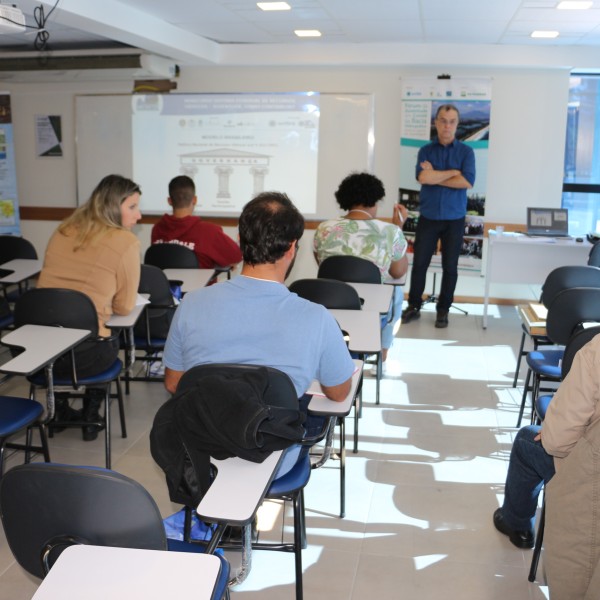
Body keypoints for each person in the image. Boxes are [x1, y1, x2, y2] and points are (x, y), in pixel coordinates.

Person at [163, 191, 355, 418]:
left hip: (202, 442)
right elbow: (339, 392)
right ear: (291, 248)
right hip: (275, 445)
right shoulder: (317, 318)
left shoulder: (191, 304)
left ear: (239, 240)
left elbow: (174, 383)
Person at [493, 334, 600, 597]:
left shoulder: (596, 350)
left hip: (590, 482)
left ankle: (518, 525)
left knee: (527, 440)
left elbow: (557, 442)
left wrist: (550, 431)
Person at [38, 174, 142, 440]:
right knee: (112, 337)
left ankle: (59, 411)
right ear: (111, 206)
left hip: (42, 354)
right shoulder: (125, 241)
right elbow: (124, 305)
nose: (138, 216)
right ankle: (90, 413)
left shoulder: (63, 229)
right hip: (87, 358)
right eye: (132, 207)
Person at [313, 171, 409, 363]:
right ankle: (382, 349)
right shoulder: (389, 231)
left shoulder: (324, 228)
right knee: (396, 292)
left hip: (330, 307)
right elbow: (398, 272)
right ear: (375, 200)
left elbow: (324, 265)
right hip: (371, 313)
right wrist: (399, 228)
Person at [401, 104, 476, 329]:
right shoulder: (426, 150)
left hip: (454, 218)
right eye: (443, 120)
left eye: (452, 121)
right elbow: (422, 178)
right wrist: (453, 172)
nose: (447, 125)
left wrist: (436, 175)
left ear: (457, 124)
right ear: (436, 123)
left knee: (450, 267)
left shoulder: (466, 152)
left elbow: (467, 182)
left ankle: (443, 309)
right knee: (420, 264)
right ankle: (413, 305)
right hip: (429, 217)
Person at [151, 175, 242, 269]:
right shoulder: (209, 232)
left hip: (164, 284)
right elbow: (236, 256)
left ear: (169, 201)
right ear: (194, 200)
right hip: (200, 284)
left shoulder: (157, 230)